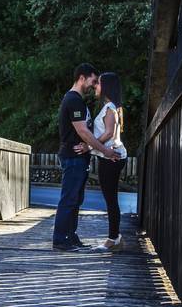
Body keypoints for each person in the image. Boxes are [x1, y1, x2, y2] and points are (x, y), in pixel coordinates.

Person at [52, 63, 118, 252]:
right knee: (69, 199)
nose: (94, 85)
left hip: (79, 157)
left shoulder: (79, 101)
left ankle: (71, 237)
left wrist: (90, 148)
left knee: (76, 199)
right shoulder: (72, 100)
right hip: (72, 157)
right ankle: (60, 240)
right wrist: (104, 151)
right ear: (82, 77)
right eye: (93, 80)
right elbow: (83, 131)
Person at [91, 72, 128, 251]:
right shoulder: (112, 107)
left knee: (111, 200)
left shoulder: (109, 108)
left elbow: (108, 134)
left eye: (98, 84)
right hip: (110, 156)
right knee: (110, 199)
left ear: (106, 86)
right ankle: (115, 238)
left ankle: (114, 239)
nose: (95, 87)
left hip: (110, 158)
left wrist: (88, 146)